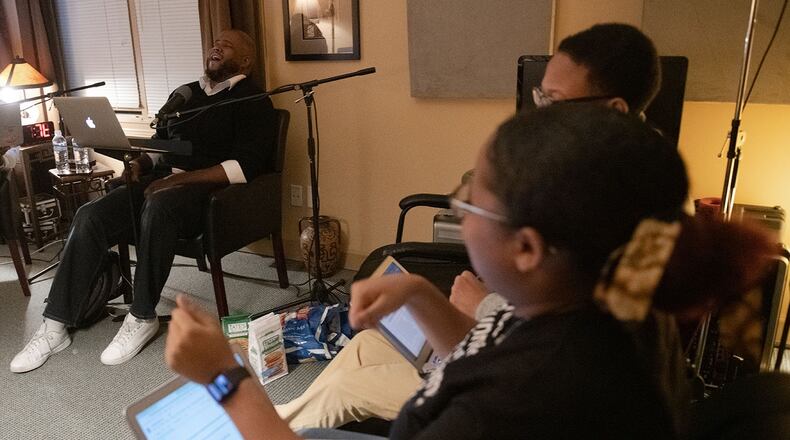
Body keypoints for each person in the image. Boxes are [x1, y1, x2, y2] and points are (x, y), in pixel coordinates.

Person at [165, 105, 773, 439]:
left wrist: (225, 378)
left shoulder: (516, 406)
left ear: (527, 248)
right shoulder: (609, 303)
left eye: (471, 199)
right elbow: (486, 354)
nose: (457, 207)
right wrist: (417, 293)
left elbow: (502, 385)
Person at [275, 22, 665, 430]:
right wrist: (420, 292)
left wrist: (482, 306)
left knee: (349, 386)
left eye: (556, 101)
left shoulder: (625, 221)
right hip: (484, 345)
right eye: (541, 97)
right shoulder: (585, 177)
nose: (540, 115)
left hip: (499, 379)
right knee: (368, 344)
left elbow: (548, 354)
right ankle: (278, 420)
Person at [10, 29, 279, 373]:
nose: (216, 48)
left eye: (226, 46)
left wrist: (178, 180)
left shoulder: (253, 100)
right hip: (163, 183)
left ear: (245, 61)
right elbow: (161, 145)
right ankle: (55, 324)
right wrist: (140, 163)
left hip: (210, 195)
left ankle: (142, 316)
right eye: (215, 43)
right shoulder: (185, 94)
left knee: (159, 206)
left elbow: (245, 167)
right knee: (91, 214)